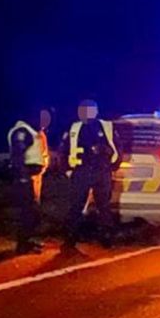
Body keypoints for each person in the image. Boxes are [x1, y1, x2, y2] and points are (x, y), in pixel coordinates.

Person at [62, 99, 119, 251]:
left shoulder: (107, 127)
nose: (86, 113)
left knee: (103, 206)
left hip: (101, 171)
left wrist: (110, 165)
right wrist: (67, 170)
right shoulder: (74, 128)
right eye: (83, 110)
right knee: (76, 206)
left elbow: (117, 149)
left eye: (89, 110)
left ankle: (106, 238)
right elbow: (64, 150)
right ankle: (70, 240)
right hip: (81, 171)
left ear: (96, 111)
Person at [7, 109, 51, 254]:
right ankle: (23, 244)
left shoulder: (33, 132)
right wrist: (23, 176)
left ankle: (28, 240)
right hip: (25, 177)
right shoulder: (22, 131)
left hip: (32, 177)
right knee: (27, 211)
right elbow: (18, 155)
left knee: (32, 210)